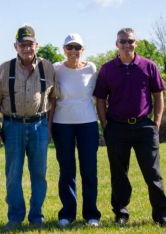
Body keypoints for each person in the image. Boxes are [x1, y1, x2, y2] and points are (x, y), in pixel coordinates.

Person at [93, 27, 166, 226]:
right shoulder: (107, 69)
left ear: (136, 43)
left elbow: (158, 95)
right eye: (122, 41)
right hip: (116, 127)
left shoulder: (149, 66)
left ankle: (161, 214)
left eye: (130, 41)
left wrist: (156, 123)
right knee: (119, 174)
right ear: (116, 44)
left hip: (144, 127)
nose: (127, 44)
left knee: (153, 173)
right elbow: (100, 98)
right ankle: (121, 213)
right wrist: (105, 125)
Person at [0, 25, 56, 230]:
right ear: (15, 46)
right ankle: (15, 217)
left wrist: (49, 128)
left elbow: (53, 99)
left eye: (30, 44)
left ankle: (37, 217)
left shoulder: (48, 67)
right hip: (13, 125)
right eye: (22, 44)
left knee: (39, 175)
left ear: (36, 45)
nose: (27, 48)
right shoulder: (5, 68)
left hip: (39, 125)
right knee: (13, 175)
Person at [52, 33, 101, 227]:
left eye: (77, 47)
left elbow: (97, 97)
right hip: (62, 124)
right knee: (67, 170)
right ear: (64, 50)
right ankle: (67, 213)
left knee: (89, 170)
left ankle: (91, 214)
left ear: (83, 50)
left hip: (88, 123)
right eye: (69, 47)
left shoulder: (91, 68)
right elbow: (51, 99)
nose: (73, 51)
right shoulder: (56, 69)